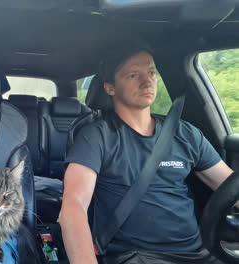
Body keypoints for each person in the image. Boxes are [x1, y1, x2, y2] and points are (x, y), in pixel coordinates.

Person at [59, 42, 235, 264]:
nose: (147, 81)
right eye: (133, 75)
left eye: (151, 73)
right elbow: (73, 206)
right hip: (137, 256)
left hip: (199, 253)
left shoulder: (186, 133)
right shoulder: (95, 136)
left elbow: (231, 189)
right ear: (110, 87)